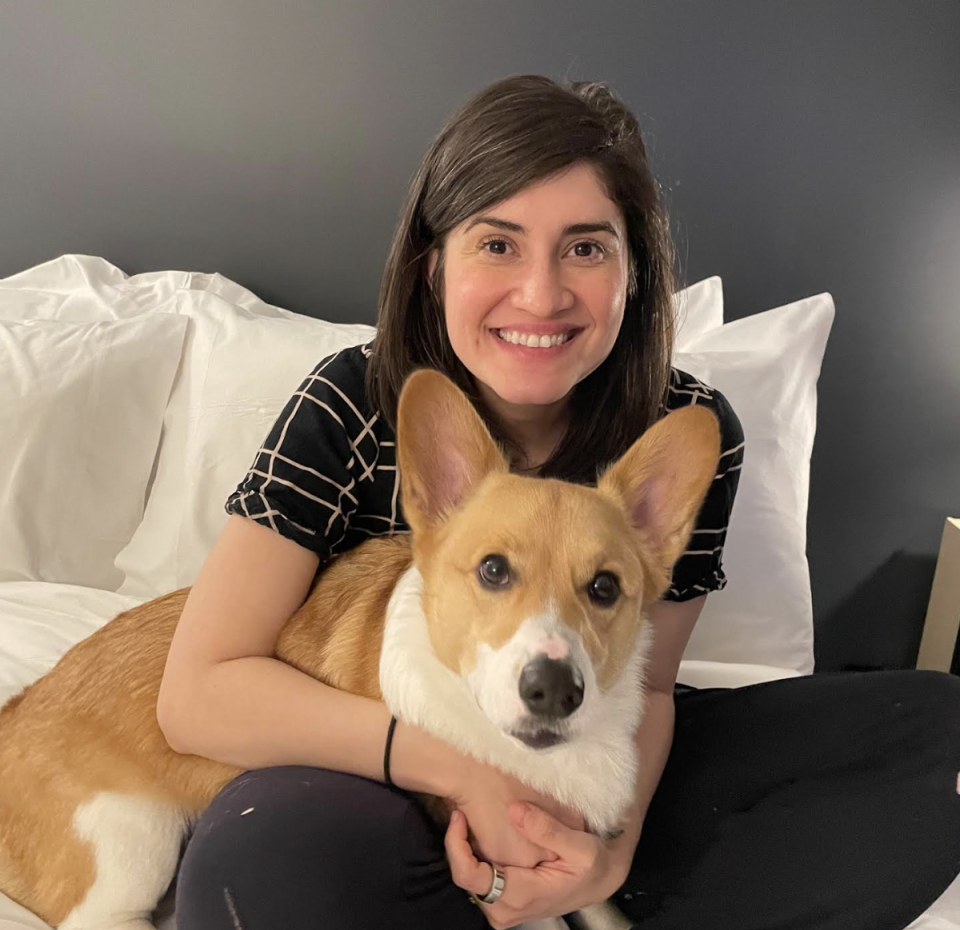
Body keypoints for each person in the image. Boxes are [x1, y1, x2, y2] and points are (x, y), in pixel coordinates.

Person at [158, 74, 960, 930]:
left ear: (633, 271)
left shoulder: (682, 427)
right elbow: (198, 690)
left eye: (585, 248)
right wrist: (464, 774)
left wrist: (609, 848)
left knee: (940, 731)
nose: (541, 296)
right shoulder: (352, 400)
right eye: (497, 244)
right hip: (373, 767)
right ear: (433, 263)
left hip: (589, 736)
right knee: (264, 864)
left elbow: (645, 691)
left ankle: (554, 894)